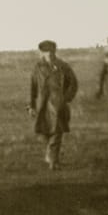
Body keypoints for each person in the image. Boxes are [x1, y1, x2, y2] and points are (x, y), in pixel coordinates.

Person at [28, 40, 78, 170]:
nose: (49, 54)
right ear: (41, 53)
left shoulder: (63, 66)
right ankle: (51, 157)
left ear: (55, 51)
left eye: (51, 51)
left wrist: (65, 98)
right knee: (44, 132)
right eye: (46, 51)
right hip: (42, 105)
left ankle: (53, 161)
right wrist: (31, 106)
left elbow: (73, 83)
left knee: (57, 131)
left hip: (58, 104)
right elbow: (33, 87)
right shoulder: (37, 67)